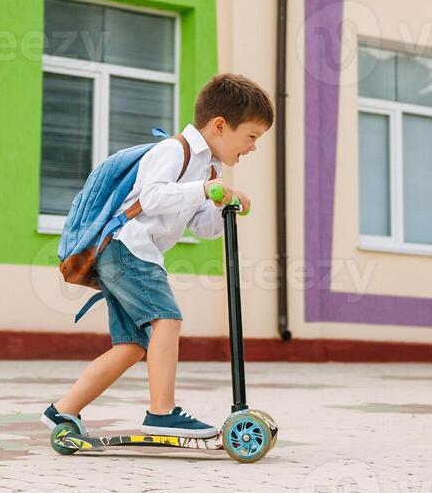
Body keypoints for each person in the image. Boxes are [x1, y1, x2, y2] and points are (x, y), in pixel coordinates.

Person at [41, 73, 274, 438]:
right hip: (126, 248)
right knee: (167, 319)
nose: (253, 147)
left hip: (132, 254)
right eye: (252, 137)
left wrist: (224, 207)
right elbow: (151, 198)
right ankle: (161, 412)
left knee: (132, 346)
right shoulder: (172, 151)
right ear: (219, 125)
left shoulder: (209, 167)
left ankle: (63, 411)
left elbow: (201, 225)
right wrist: (204, 189)